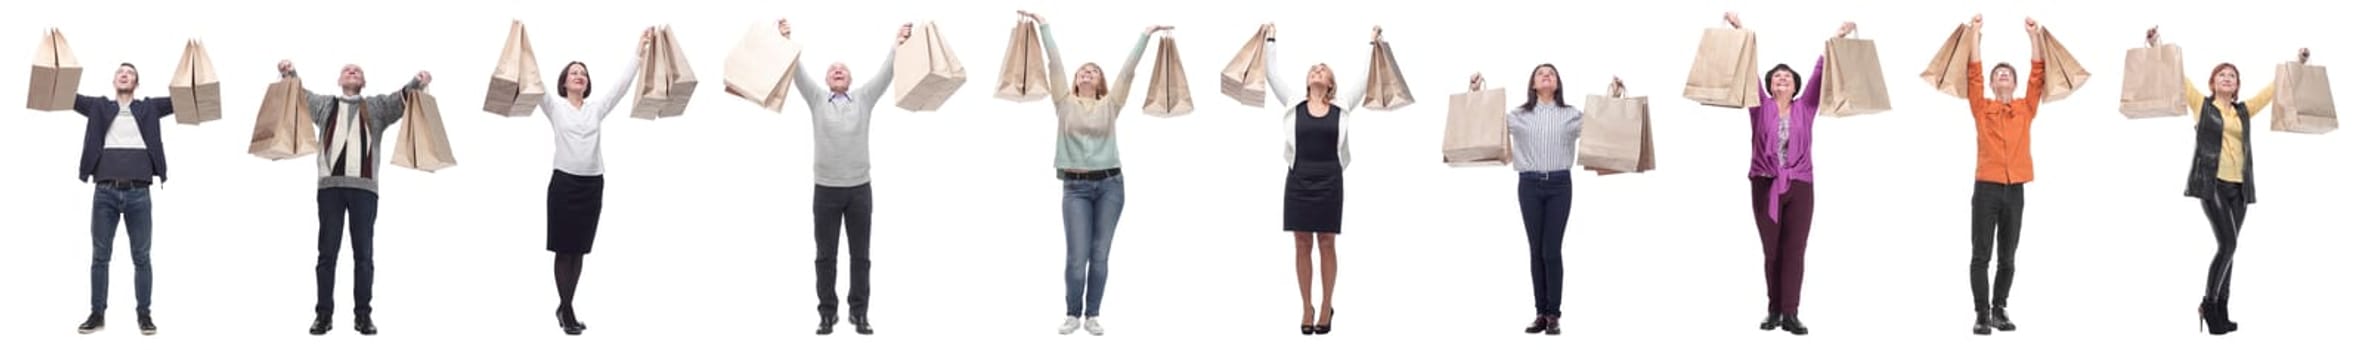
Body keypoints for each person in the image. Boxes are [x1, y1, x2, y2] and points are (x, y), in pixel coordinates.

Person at [2148, 25, 2309, 335]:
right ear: (2213, 82)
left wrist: (2297, 63)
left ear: (2236, 86)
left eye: (2231, 76)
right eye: (2221, 74)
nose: (2226, 78)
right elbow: (2178, 74)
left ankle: (2222, 310)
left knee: (2231, 249)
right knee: (2228, 244)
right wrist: (2157, 44)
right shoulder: (2202, 106)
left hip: (2240, 187)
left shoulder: (2244, 111)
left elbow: (2272, 90)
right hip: (2212, 184)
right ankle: (2208, 305)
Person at [1016, 10, 1168, 336]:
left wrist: (1146, 34)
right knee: (1076, 256)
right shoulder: (1063, 101)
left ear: (1100, 81)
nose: (1088, 73)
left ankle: (1093, 314)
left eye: (1094, 71)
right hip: (1075, 188)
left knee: (1099, 255)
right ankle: (1073, 313)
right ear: (1075, 79)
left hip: (1111, 185)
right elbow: (1054, 64)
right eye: (1083, 70)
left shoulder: (1111, 104)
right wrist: (1043, 25)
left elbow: (1128, 72)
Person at [274, 60, 432, 336]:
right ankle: (323, 316)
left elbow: (402, 99)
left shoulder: (377, 108)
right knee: (327, 254)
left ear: (363, 82)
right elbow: (299, 95)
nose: (352, 71)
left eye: (357, 70)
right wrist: (289, 73)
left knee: (364, 255)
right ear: (339, 80)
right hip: (330, 189)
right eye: (347, 69)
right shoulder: (325, 106)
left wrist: (417, 81)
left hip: (365, 190)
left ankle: (363, 316)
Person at [777, 19, 912, 336]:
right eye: (833, 69)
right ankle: (827, 313)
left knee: (860, 256)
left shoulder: (864, 98)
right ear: (826, 79)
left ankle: (859, 313)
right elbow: (797, 72)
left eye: (843, 69)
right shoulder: (816, 99)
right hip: (825, 192)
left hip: (859, 192)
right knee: (825, 257)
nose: (838, 70)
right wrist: (786, 40)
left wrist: (897, 44)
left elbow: (886, 73)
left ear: (850, 80)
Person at [1470, 66, 1623, 335]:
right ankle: (1540, 313)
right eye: (1540, 73)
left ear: (1558, 83)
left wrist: (1612, 97)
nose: (1546, 75)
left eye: (1551, 73)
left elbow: (1602, 124)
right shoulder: (1518, 116)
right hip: (1529, 185)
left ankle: (1554, 314)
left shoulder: (1571, 115)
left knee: (1551, 250)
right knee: (1535, 251)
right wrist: (1474, 93)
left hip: (1560, 186)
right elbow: (1484, 120)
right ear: (1532, 83)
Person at [1724, 12, 1848, 336]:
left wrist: (1836, 39)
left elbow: (1820, 75)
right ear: (1768, 85)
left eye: (1787, 77)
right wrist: (1741, 31)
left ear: (1795, 86)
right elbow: (1748, 70)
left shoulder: (1806, 108)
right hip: (1765, 185)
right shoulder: (1758, 106)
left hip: (1800, 185)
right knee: (1772, 250)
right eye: (1776, 77)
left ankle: (1791, 313)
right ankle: (1774, 309)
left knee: (1794, 251)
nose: (1782, 79)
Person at [533, 26, 655, 336]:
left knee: (579, 250)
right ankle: (568, 308)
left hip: (591, 187)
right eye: (573, 73)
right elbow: (532, 78)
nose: (579, 76)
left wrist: (638, 50)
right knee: (564, 249)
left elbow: (622, 85)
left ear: (586, 84)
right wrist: (521, 41)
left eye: (583, 73)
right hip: (563, 185)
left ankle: (566, 305)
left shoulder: (596, 109)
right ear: (564, 82)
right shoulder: (554, 107)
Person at [1265, 23, 1381, 336]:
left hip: (1330, 179)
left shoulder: (1342, 105)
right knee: (1301, 243)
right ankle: (1307, 306)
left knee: (1326, 242)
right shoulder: (1294, 103)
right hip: (1298, 179)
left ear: (1330, 83)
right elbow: (1271, 73)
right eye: (1313, 69)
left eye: (1323, 69)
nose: (1317, 70)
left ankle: (1327, 304)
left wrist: (1373, 44)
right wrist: (1271, 38)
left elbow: (1365, 77)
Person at [68, 63, 175, 336]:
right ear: (114, 80)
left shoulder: (149, 108)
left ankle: (144, 314)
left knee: (142, 257)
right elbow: (63, 94)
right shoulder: (98, 107)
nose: (124, 74)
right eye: (120, 71)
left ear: (137, 82)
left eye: (129, 72)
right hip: (105, 193)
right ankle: (97, 313)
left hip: (139, 193)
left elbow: (186, 99)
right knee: (100, 256)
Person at [1959, 14, 2046, 335]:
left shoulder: (2026, 108)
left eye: (2008, 72)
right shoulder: (1981, 107)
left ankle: (2000, 308)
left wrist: (2034, 37)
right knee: (1981, 254)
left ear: (2014, 81)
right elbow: (1974, 73)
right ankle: (1981, 313)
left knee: (2008, 255)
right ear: (1994, 84)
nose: (2003, 75)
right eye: (1998, 73)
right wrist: (1976, 36)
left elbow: (2039, 73)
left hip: (2016, 189)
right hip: (1986, 188)